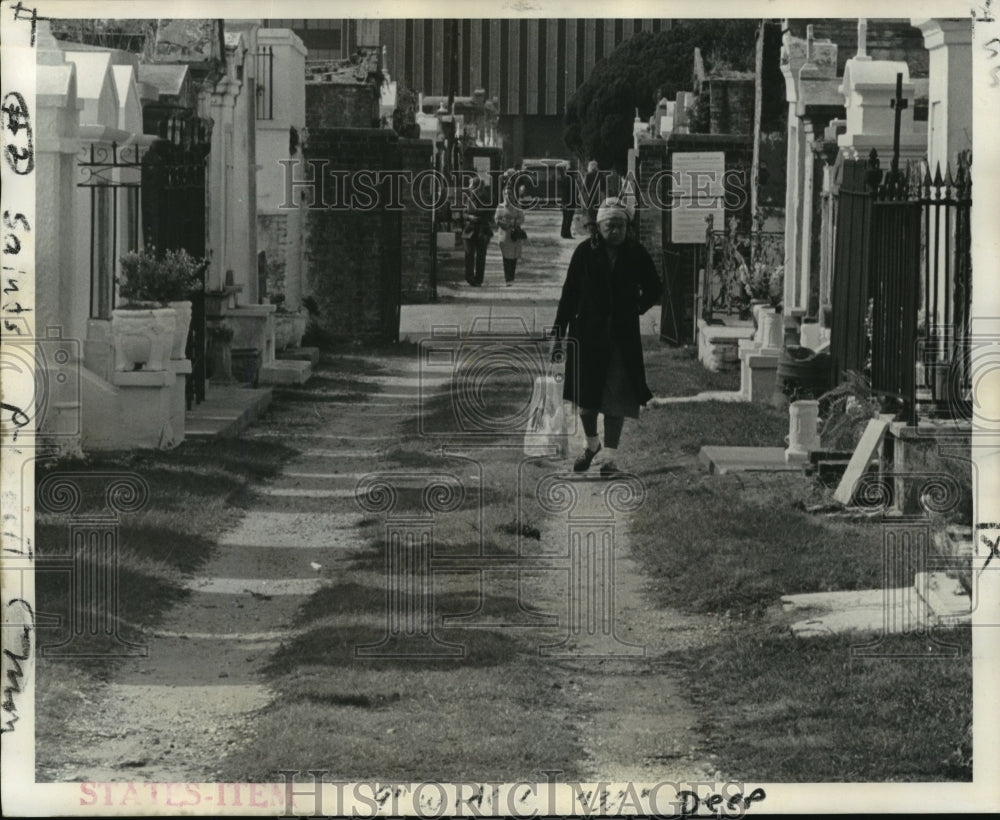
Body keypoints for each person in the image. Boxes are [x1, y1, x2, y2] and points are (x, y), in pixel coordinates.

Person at [551, 197, 662, 476]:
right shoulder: (584, 253)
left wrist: (637, 307)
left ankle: (610, 459)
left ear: (628, 227)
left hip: (621, 340)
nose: (616, 231)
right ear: (598, 227)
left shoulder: (635, 253)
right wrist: (558, 332)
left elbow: (655, 288)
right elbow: (569, 295)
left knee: (617, 398)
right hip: (587, 336)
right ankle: (592, 445)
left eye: (621, 225)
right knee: (586, 402)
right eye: (610, 225)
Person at [460, 175, 494, 287]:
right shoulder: (467, 198)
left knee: (481, 256)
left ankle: (479, 279)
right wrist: (469, 217)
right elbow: (462, 214)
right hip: (469, 229)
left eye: (472, 186)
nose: (470, 189)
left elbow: (490, 215)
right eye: (470, 187)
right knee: (469, 254)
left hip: (482, 230)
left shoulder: (487, 199)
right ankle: (469, 277)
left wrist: (482, 219)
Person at [495, 172, 526, 286]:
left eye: (510, 194)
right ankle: (507, 278)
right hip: (504, 236)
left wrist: (513, 222)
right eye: (506, 194)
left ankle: (511, 277)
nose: (508, 196)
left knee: (513, 258)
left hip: (514, 236)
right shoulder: (500, 207)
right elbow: (496, 220)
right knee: (506, 258)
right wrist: (503, 223)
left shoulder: (517, 206)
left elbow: (522, 219)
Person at [557, 166, 575, 239]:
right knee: (568, 219)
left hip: (565, 201)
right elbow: (572, 192)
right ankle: (567, 233)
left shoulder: (565, 179)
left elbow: (563, 193)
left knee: (565, 218)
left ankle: (564, 233)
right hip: (570, 202)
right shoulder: (571, 180)